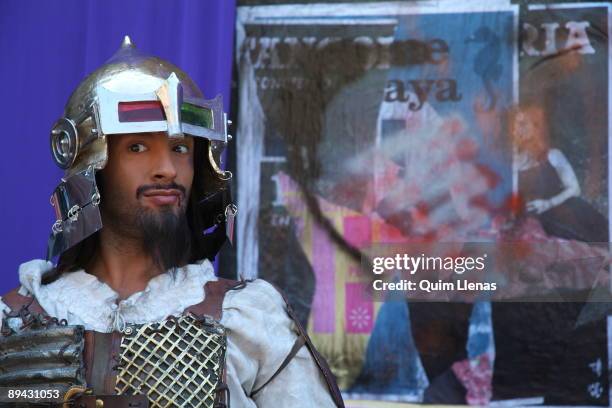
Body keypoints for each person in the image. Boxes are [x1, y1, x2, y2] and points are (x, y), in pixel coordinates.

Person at [0, 36, 344, 408]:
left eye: (180, 149)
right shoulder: (14, 320)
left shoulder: (250, 320)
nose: (167, 169)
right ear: (91, 165)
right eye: (137, 146)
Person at [512, 104, 608, 243]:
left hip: (564, 214)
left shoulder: (553, 155)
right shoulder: (511, 162)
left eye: (523, 124)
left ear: (536, 128)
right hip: (534, 223)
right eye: (515, 125)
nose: (517, 129)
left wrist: (548, 203)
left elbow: (575, 189)